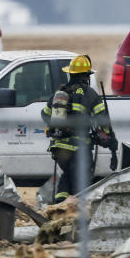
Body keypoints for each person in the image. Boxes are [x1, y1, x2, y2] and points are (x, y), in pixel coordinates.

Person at [41, 55, 117, 203]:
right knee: (81, 181)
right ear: (85, 76)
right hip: (79, 148)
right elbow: (103, 121)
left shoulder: (60, 93)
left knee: (68, 174)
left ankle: (60, 204)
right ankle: (77, 209)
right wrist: (110, 138)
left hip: (59, 148)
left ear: (71, 73)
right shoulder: (90, 94)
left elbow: (44, 115)